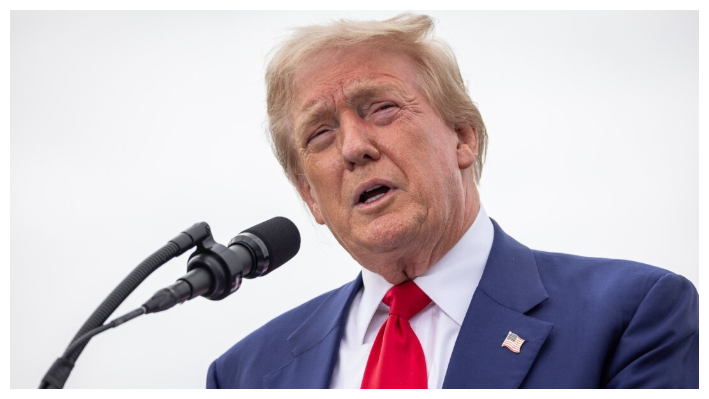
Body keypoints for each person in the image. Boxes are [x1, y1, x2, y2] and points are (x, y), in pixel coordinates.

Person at [206, 14, 698, 389]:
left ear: (463, 137)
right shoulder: (245, 376)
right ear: (310, 195)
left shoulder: (632, 315)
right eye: (320, 133)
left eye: (382, 108)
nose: (354, 147)